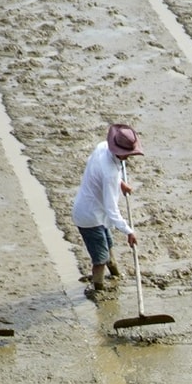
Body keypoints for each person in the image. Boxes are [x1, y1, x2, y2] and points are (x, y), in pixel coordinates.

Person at [71, 123, 142, 295]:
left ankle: (116, 274)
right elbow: (112, 210)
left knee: (108, 245)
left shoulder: (102, 147)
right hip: (90, 217)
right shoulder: (109, 173)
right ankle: (99, 289)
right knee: (100, 259)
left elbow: (100, 174)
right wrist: (129, 231)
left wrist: (121, 183)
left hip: (96, 212)